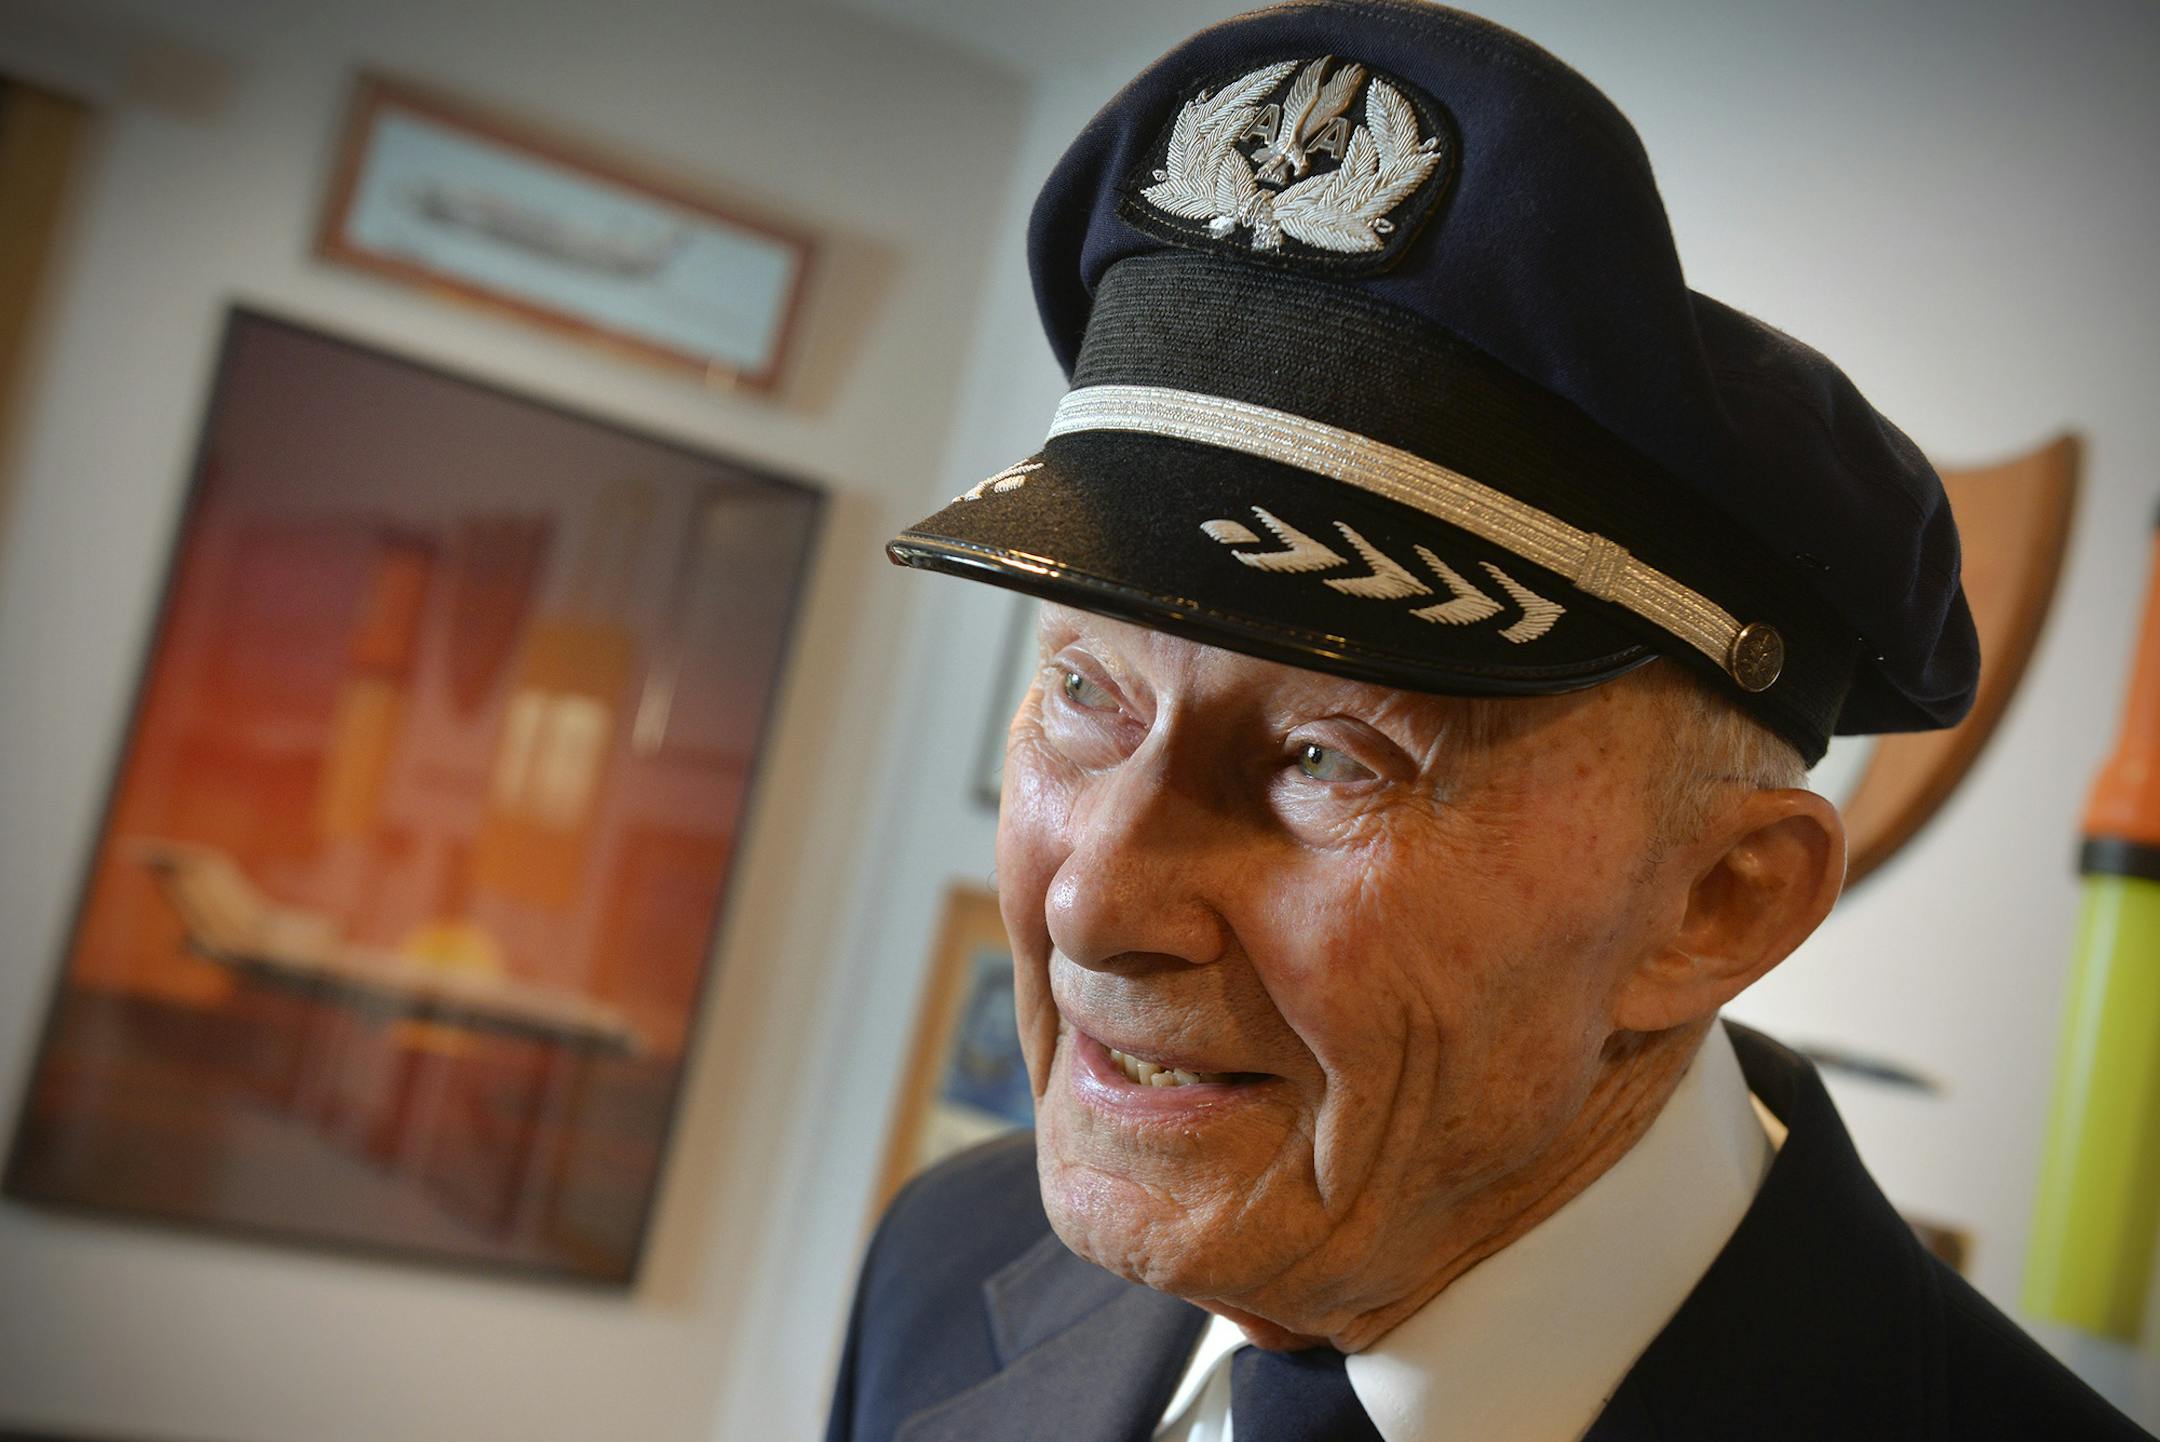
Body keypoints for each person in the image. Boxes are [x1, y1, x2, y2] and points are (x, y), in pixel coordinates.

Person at [826, 2, 2151, 1438]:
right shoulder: (942, 1268)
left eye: (1326, 760)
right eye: (1088, 692)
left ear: (1719, 901)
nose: (1094, 898)